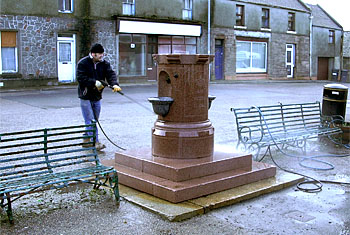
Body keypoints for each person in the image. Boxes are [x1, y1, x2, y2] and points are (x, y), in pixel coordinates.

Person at [77, 43, 121, 150]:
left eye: (102, 54)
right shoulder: (83, 63)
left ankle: (86, 139)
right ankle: (95, 142)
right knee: (90, 120)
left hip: (97, 96)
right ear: (93, 54)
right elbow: (80, 78)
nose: (102, 56)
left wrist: (114, 84)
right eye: (99, 54)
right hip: (85, 96)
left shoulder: (104, 64)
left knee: (94, 120)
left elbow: (110, 74)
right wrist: (94, 83)